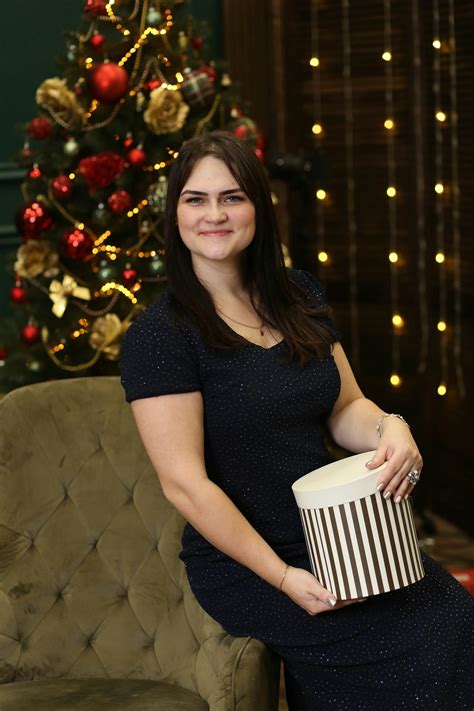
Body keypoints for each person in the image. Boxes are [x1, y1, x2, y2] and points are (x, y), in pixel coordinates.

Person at [120, 130, 473, 710]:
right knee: (419, 644)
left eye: (232, 197)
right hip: (249, 561)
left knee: (453, 616)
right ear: (174, 213)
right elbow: (185, 484)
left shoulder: (296, 293)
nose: (214, 214)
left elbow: (345, 408)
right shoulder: (162, 337)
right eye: (195, 199)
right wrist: (284, 578)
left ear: (258, 206)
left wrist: (391, 426)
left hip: (340, 534)